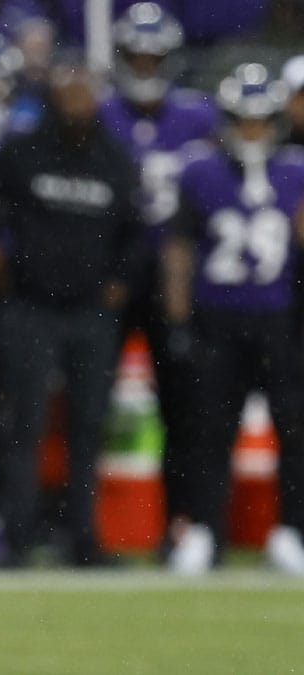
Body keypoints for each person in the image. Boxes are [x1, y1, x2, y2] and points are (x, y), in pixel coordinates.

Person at [0, 52, 145, 567]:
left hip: (91, 312)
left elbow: (137, 233)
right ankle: (17, 535)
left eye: (83, 93)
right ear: (52, 97)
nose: (75, 102)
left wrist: (119, 284)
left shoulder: (115, 158)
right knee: (21, 424)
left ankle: (83, 538)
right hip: (31, 306)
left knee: (88, 427)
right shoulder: (23, 152)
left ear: (95, 99)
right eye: (67, 92)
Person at [160, 63, 304, 575]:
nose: (252, 130)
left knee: (295, 429)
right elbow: (179, 247)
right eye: (243, 119)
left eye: (260, 119)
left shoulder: (296, 170)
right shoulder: (200, 170)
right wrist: (177, 318)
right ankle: (204, 530)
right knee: (210, 431)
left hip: (280, 318)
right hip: (217, 317)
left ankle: (290, 531)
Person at [96, 4, 219, 562]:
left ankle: (184, 527)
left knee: (187, 408)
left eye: (155, 57)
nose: (146, 66)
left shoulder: (199, 118)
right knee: (88, 404)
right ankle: (80, 529)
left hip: (179, 281)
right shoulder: (97, 114)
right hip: (110, 275)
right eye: (138, 56)